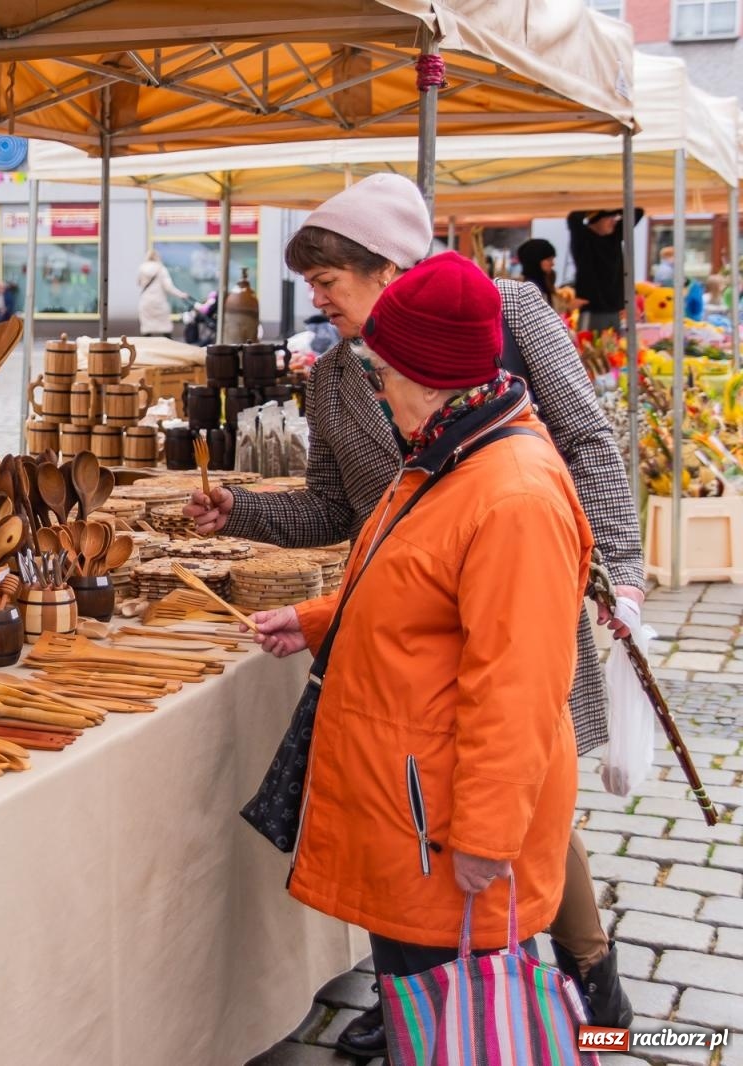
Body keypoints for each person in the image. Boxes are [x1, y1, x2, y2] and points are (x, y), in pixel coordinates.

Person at [186, 172, 639, 1053]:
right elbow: (342, 514)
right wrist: (249, 521)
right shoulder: (351, 384)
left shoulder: (500, 341)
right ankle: (434, 1009)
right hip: (419, 631)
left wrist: (616, 567)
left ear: (385, 268)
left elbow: (586, 439)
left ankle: (585, 996)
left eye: (329, 283)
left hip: (511, 605)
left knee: (520, 806)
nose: (317, 303)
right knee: (453, 874)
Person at [249, 252, 592, 1042]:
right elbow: (419, 592)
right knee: (425, 1015)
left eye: (383, 374)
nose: (376, 390)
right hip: (413, 803)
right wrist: (318, 620)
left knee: (457, 1022)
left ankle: (589, 1018)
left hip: (441, 820)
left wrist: (484, 836)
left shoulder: (511, 493)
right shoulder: (453, 451)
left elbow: (519, 686)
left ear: (432, 374)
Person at [567, 206, 643, 333]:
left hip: (614, 311)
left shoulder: (614, 237)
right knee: (588, 348)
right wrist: (598, 208)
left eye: (615, 218)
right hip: (593, 310)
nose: (614, 221)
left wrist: (612, 211)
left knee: (612, 351)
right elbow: (574, 218)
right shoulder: (583, 238)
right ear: (595, 220)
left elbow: (637, 212)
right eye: (609, 218)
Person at [136, 248, 187, 337]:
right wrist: (181, 294)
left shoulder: (141, 268)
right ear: (157, 257)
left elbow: (138, 283)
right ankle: (170, 348)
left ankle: (145, 349)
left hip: (145, 302)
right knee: (165, 328)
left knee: (147, 329)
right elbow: (168, 287)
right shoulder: (161, 269)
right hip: (159, 302)